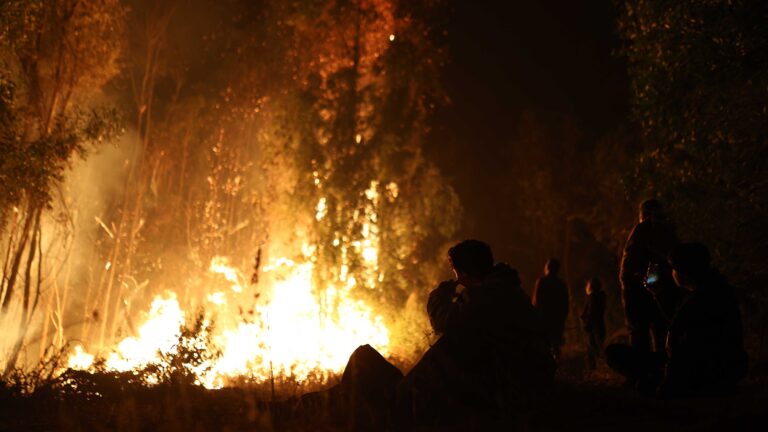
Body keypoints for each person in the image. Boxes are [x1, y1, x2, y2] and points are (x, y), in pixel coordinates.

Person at [393, 239, 554, 430]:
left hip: (515, 385)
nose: (458, 281)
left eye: (457, 274)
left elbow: (445, 323)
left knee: (442, 355)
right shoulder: (508, 288)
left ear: (465, 274)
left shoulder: (484, 297)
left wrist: (438, 298)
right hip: (533, 377)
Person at [606, 243, 748, 397]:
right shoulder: (712, 289)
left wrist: (667, 382)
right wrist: (658, 294)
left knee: (622, 360)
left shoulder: (701, 299)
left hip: (707, 369)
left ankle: (686, 384)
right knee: (617, 353)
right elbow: (681, 325)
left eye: (673, 269)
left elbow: (683, 342)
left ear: (683, 272)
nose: (671, 273)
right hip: (723, 365)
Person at [619, 199, 678, 354]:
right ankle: (661, 368)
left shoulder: (642, 229)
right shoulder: (669, 231)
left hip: (638, 288)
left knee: (639, 331)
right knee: (661, 330)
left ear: (643, 214)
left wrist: (628, 284)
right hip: (662, 287)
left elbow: (630, 262)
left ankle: (644, 372)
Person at [532, 258, 570, 359]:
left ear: (547, 268)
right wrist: (563, 316)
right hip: (557, 318)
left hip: (544, 318)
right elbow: (565, 303)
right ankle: (556, 363)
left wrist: (535, 316)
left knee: (544, 343)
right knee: (555, 343)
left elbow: (536, 301)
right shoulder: (561, 284)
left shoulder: (541, 282)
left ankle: (546, 365)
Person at [580, 277, 606, 370]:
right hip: (599, 326)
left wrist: (587, 323)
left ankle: (597, 368)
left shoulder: (593, 297)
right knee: (597, 347)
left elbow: (591, 312)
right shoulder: (601, 296)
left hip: (593, 327)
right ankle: (599, 367)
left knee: (593, 348)